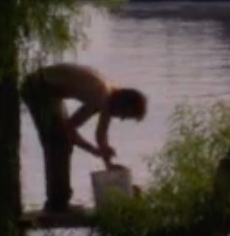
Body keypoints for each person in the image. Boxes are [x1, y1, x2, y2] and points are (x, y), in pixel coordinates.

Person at [20, 63, 148, 213]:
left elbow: (101, 136)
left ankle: (59, 200)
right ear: (123, 104)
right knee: (59, 142)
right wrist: (93, 150)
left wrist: (109, 165)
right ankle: (57, 204)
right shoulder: (100, 95)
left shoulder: (109, 96)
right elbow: (67, 130)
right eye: (124, 115)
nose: (120, 118)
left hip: (51, 91)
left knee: (62, 139)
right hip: (37, 87)